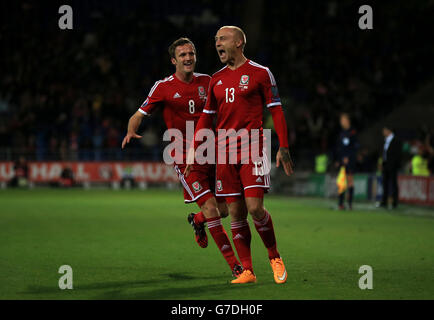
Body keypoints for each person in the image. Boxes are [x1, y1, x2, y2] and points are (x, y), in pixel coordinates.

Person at [122, 38, 243, 278]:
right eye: (183, 55)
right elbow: (139, 112)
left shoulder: (207, 82)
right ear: (173, 60)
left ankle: (197, 221)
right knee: (210, 208)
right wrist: (130, 129)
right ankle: (236, 267)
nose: (188, 58)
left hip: (213, 153)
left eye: (191, 53)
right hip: (185, 158)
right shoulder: (163, 87)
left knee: (224, 210)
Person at [185, 26, 294, 284]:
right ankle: (248, 271)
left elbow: (277, 111)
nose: (217, 44)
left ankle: (274, 256)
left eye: (222, 39)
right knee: (235, 213)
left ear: (239, 42)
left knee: (255, 208)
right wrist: (193, 149)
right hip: (224, 151)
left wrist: (284, 146)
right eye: (215, 41)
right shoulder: (216, 79)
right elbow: (206, 117)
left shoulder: (260, 73)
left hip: (253, 146)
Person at [335, 113, 359, 210]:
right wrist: (338, 159)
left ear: (348, 120)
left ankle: (350, 203)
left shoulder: (352, 132)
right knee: (341, 181)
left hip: (350, 160)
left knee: (350, 180)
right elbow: (339, 148)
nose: (341, 122)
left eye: (343, 120)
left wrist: (348, 156)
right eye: (341, 120)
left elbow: (355, 146)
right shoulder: (341, 133)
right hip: (341, 161)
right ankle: (341, 203)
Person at [379, 126, 402, 209]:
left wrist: (394, 165)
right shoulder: (385, 141)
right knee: (385, 184)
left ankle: (394, 202)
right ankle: (384, 202)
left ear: (389, 131)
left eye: (384, 130)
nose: (383, 132)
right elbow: (384, 153)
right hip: (385, 165)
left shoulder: (397, 140)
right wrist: (382, 163)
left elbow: (398, 155)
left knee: (393, 184)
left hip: (392, 166)